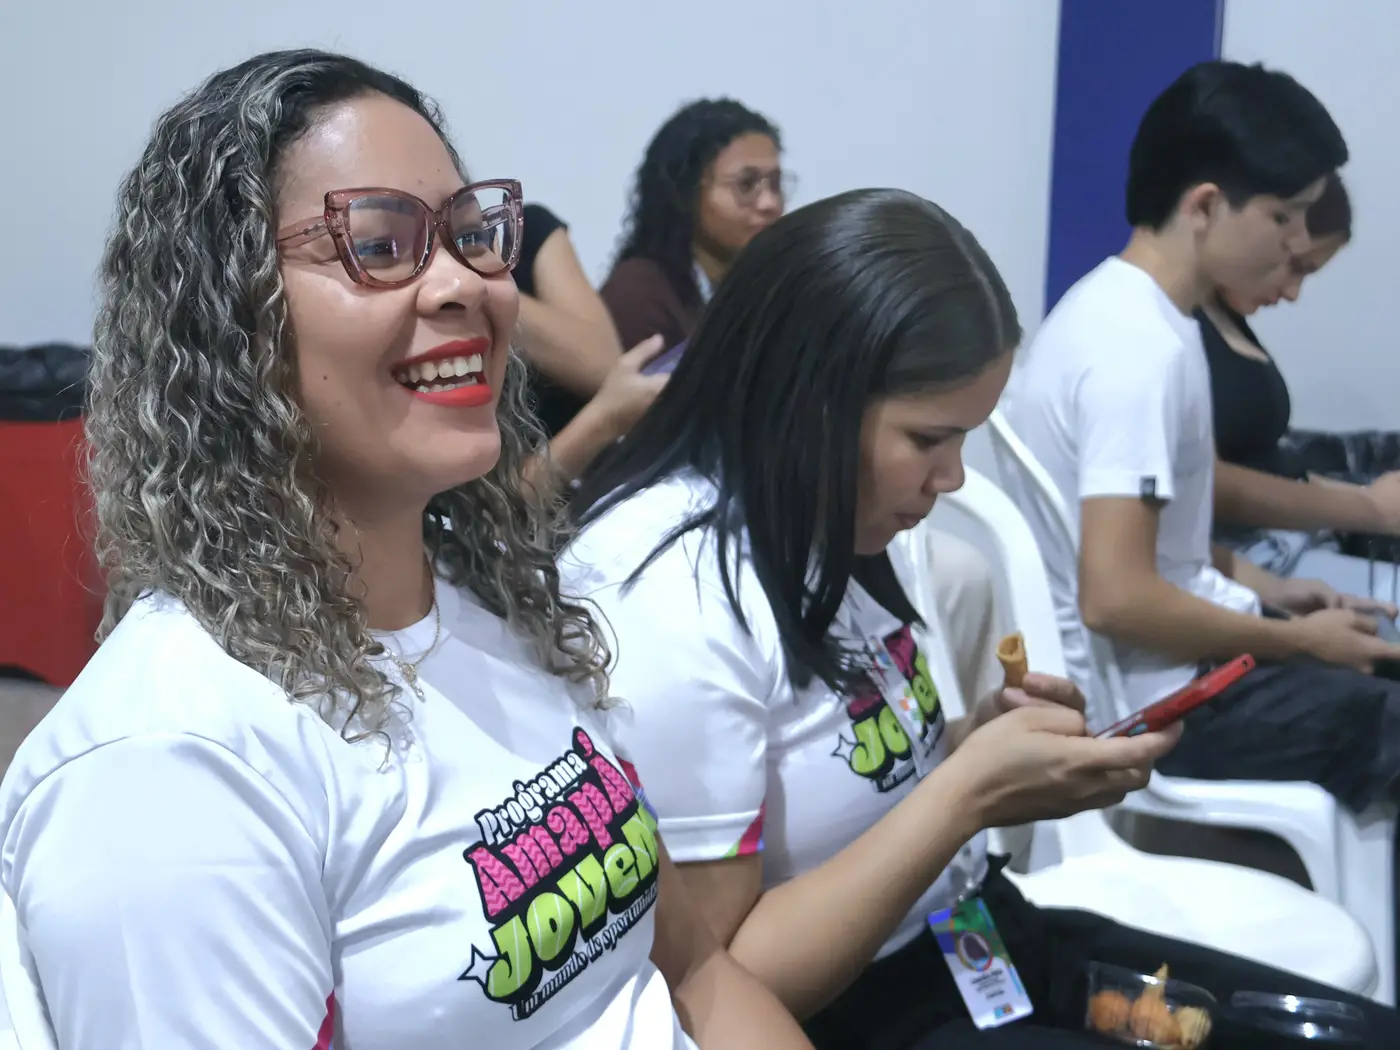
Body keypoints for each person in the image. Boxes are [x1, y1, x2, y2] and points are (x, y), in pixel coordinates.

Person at [0, 50, 815, 1050]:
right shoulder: (169, 767)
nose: (466, 284)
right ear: (225, 320)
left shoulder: (496, 602)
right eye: (379, 245)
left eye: (472, 237)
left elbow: (693, 969)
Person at [563, 187, 1400, 1048]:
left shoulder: (820, 514)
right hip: (859, 1010)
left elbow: (847, 767)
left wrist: (982, 740)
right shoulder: (670, 593)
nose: (953, 477)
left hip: (970, 936)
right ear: (808, 400)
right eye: (929, 439)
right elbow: (713, 989)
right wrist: (969, 794)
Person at [1000, 60, 1400, 810]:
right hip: (1163, 706)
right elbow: (1116, 598)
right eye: (1282, 217)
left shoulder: (1133, 314)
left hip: (1180, 668)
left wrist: (1273, 594)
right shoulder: (1136, 352)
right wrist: (1297, 640)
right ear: (1207, 206)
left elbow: (1152, 548)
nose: (1294, 242)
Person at [1202, 172, 1400, 599]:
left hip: (1286, 551)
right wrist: (1368, 508)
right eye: (1292, 265)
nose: (1292, 292)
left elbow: (1268, 468)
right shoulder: (1172, 330)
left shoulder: (1223, 320)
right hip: (1256, 562)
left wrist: (1369, 497)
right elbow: (1208, 484)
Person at [601, 98, 790, 351]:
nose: (770, 203)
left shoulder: (771, 286)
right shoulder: (638, 294)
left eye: (775, 184)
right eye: (746, 184)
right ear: (685, 193)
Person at [514, 203, 668, 486]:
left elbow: (603, 365)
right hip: (543, 505)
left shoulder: (526, 230)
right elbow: (495, 505)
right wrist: (604, 421)